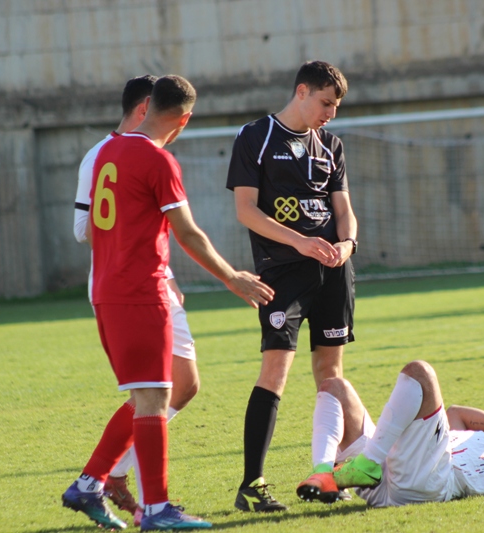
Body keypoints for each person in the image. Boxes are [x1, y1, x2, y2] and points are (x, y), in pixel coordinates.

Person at [61, 75, 274, 531]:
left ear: (148, 105)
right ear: (184, 119)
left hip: (114, 289)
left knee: (164, 389)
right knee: (154, 398)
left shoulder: (108, 152)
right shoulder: (158, 160)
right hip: (140, 292)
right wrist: (232, 277)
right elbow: (188, 232)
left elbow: (98, 228)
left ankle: (90, 483)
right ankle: (155, 509)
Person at [225, 60, 358, 512]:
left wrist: (347, 244)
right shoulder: (256, 136)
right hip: (283, 273)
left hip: (333, 273)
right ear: (302, 92)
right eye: (326, 103)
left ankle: (328, 474)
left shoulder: (331, 146)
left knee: (331, 375)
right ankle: (252, 484)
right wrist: (301, 242)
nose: (330, 114)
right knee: (275, 371)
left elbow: (344, 210)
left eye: (336, 107)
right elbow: (246, 210)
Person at [73, 75, 202, 525]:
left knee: (181, 384)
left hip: (154, 283)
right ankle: (139, 496)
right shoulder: (103, 154)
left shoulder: (128, 152)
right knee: (152, 392)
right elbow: (85, 228)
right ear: (147, 106)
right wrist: (231, 277)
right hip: (132, 287)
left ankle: (102, 478)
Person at [296, 360, 484, 507]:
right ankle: (322, 474)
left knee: (421, 373)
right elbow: (456, 413)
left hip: (426, 484)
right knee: (334, 387)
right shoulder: (476, 439)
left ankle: (366, 466)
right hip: (388, 478)